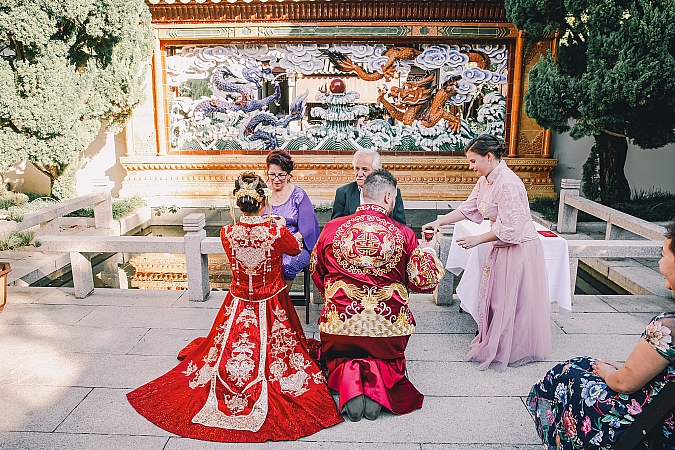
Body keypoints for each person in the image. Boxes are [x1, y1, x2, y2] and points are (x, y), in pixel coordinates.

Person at [127, 173, 343, 442]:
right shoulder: (276, 231)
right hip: (273, 302)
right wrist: (279, 226)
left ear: (238, 204)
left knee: (222, 351)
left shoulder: (227, 232)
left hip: (238, 303)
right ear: (263, 202)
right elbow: (294, 248)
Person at [527, 221, 675, 449]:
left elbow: (624, 383)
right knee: (584, 364)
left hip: (647, 421)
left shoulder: (667, 328)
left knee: (565, 374)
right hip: (662, 407)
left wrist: (611, 373)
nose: (659, 262)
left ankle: (563, 441)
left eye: (663, 255)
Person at [311, 169, 444, 422]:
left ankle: (350, 382)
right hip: (387, 331)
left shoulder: (331, 229)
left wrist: (337, 301)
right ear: (387, 197)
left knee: (342, 347)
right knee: (383, 349)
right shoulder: (403, 234)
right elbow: (423, 282)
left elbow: (317, 272)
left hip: (340, 328)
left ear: (362, 194)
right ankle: (377, 386)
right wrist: (428, 251)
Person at [422, 134, 552, 371]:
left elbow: (511, 229)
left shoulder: (508, 183)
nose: (471, 167)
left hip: (518, 247)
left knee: (511, 299)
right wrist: (438, 222)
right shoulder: (486, 179)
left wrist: (478, 239)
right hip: (501, 244)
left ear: (489, 157)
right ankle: (496, 340)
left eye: (473, 161)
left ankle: (513, 347)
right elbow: (468, 207)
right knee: (497, 298)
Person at [266, 150, 320, 291]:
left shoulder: (298, 195)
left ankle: (281, 300)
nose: (276, 179)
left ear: (289, 174)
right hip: (268, 244)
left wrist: (290, 240)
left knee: (286, 264)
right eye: (272, 174)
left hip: (295, 245)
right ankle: (263, 298)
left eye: (281, 175)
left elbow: (309, 227)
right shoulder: (263, 194)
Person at [331, 148, 406, 225]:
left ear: (376, 172)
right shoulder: (343, 193)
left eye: (365, 169)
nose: (359, 174)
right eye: (357, 169)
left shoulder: (391, 191)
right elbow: (335, 225)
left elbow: (400, 225)